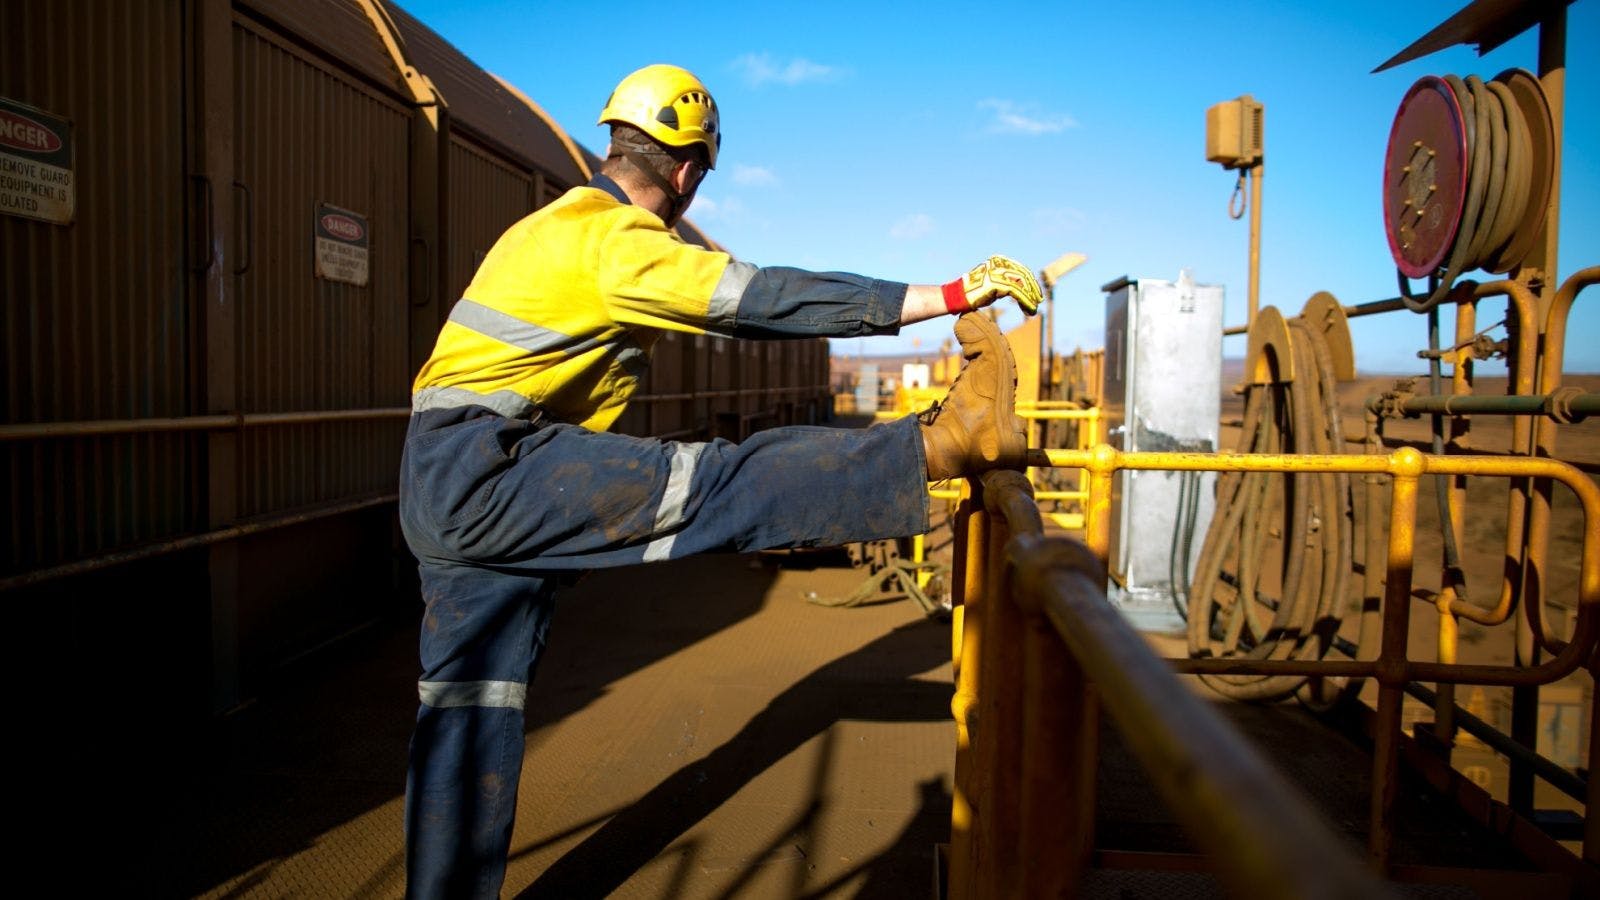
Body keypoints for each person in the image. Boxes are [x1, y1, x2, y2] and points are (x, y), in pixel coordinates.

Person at [397, 62, 1043, 898]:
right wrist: (948, 293)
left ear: (615, 144)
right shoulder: (615, 240)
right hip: (493, 467)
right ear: (688, 171)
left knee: (467, 710)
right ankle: (943, 444)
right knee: (719, 485)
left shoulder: (550, 226)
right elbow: (761, 299)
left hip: (436, 477)